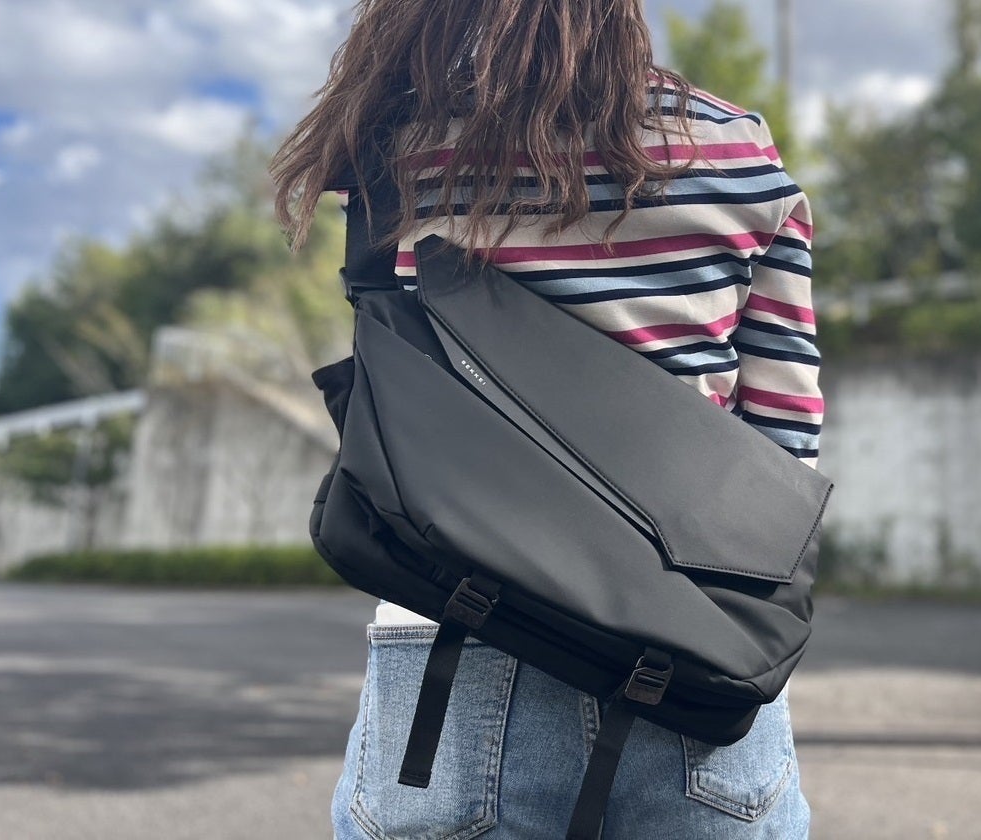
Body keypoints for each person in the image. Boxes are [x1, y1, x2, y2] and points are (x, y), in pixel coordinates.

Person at [270, 1, 825, 836]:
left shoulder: (396, 141)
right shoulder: (731, 145)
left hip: (449, 652)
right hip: (690, 652)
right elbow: (785, 445)